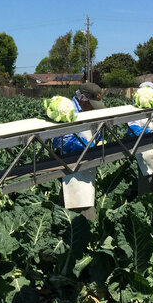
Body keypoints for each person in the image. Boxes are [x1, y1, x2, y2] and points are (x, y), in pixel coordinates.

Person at [52, 83, 106, 220]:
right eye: (91, 103)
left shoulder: (89, 110)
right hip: (68, 160)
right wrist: (85, 146)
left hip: (85, 162)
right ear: (82, 98)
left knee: (73, 196)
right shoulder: (66, 110)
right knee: (76, 196)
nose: (93, 107)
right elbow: (61, 141)